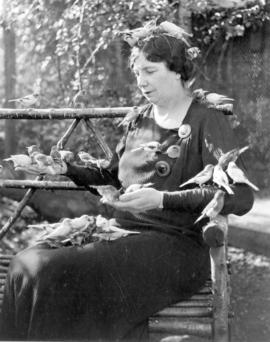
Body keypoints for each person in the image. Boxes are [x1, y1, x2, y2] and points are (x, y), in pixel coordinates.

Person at [0, 21, 254, 341]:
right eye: (137, 73)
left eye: (150, 71)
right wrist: (65, 169)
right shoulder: (140, 119)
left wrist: (162, 199)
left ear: (177, 70)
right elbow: (112, 178)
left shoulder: (207, 120)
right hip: (124, 237)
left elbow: (240, 196)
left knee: (48, 271)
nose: (141, 81)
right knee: (25, 263)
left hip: (175, 250)